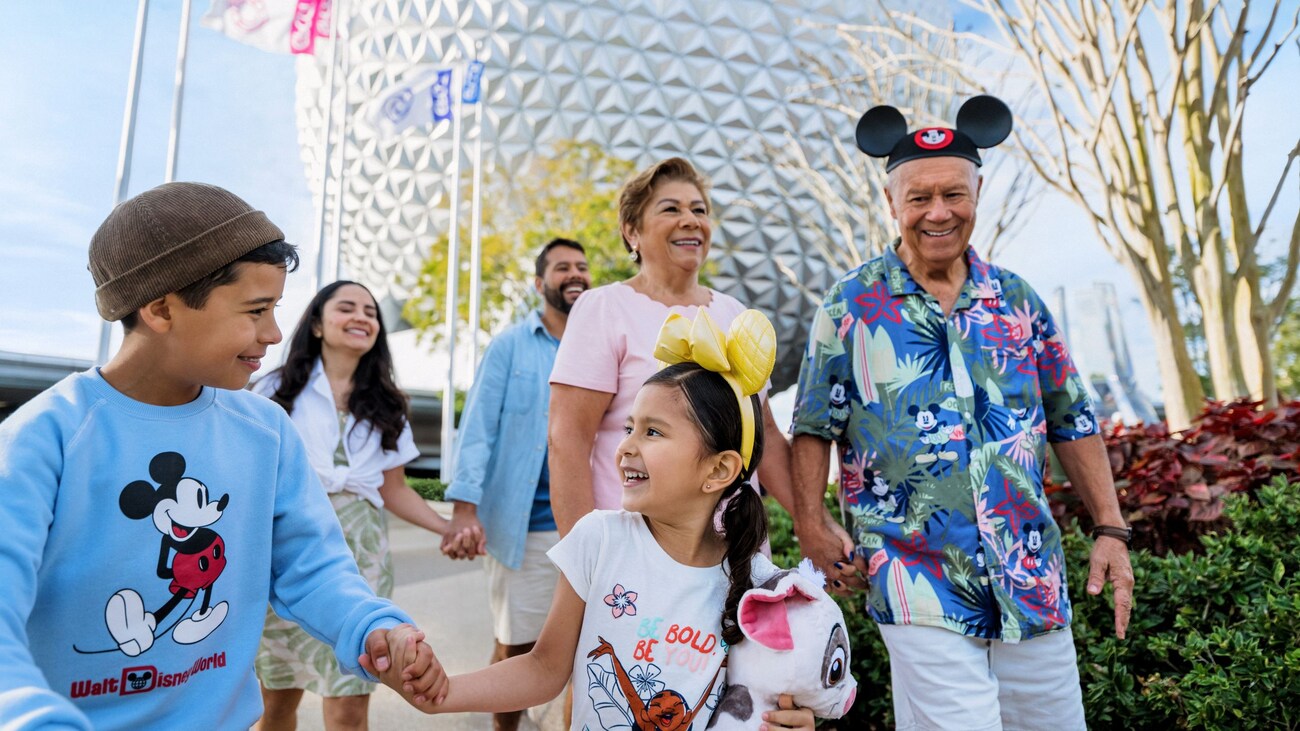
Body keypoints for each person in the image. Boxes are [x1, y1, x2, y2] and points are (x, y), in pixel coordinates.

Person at [0, 182, 442, 729]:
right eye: (256, 310)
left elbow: (312, 566)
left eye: (276, 309)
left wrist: (374, 626)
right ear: (161, 309)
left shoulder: (266, 432)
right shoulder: (44, 437)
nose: (274, 333)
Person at [789, 96, 1135, 730]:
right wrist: (811, 526)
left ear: (977, 192)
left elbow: (1072, 419)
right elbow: (813, 424)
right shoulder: (851, 306)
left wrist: (1110, 529)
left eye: (954, 193)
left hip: (1030, 571)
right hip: (914, 575)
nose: (938, 212)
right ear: (892, 205)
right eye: (919, 198)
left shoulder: (1018, 300)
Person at [414, 309, 817, 730]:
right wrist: (444, 691)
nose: (625, 446)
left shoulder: (761, 588)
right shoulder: (599, 540)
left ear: (718, 470)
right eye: (629, 427)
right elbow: (544, 669)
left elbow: (771, 700)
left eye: (653, 432)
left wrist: (795, 722)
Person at [252, 279, 479, 730]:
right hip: (288, 560)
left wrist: (448, 528)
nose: (362, 317)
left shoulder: (387, 403)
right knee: (276, 705)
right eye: (347, 308)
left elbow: (394, 489)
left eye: (371, 312)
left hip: (362, 562)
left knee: (350, 706)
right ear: (316, 323)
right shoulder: (272, 390)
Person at [548, 157, 796, 536]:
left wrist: (812, 524)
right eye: (671, 209)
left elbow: (768, 439)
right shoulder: (604, 308)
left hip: (732, 549)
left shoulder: (735, 312)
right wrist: (582, 560)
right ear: (632, 231)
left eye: (699, 210)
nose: (691, 220)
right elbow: (568, 441)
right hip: (632, 551)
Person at [442, 238, 592, 731]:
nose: (575, 274)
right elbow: (479, 427)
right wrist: (464, 509)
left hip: (590, 528)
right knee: (519, 645)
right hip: (525, 526)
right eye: (562, 267)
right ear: (539, 282)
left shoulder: (598, 344)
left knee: (587, 650)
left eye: (582, 267)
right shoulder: (511, 345)